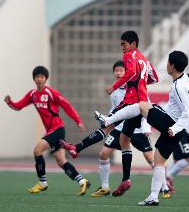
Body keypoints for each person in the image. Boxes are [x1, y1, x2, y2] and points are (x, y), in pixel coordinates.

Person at [62, 30, 158, 196]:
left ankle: (77, 147)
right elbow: (154, 78)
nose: (122, 47)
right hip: (141, 104)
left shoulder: (130, 55)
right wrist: (140, 82)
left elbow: (132, 73)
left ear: (132, 44)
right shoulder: (144, 59)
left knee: (106, 124)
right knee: (124, 140)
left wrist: (115, 86)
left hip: (131, 102)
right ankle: (126, 179)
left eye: (124, 44)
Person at [95, 50, 189, 206]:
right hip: (175, 127)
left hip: (172, 125)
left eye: (168, 62)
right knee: (158, 161)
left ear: (172, 65)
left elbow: (188, 111)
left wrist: (174, 128)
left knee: (141, 105)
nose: (166, 64)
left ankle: (108, 120)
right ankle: (154, 197)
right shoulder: (184, 79)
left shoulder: (179, 86)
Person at [4, 66, 90, 195]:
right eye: (37, 77)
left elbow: (66, 105)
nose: (39, 79)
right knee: (61, 161)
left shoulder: (51, 93)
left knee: (37, 151)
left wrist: (78, 121)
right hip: (51, 131)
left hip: (57, 129)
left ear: (46, 79)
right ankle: (82, 181)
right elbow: (19, 106)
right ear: (34, 79)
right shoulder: (32, 94)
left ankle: (42, 183)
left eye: (42, 77)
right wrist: (10, 102)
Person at [88, 60, 155, 197]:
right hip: (119, 127)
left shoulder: (137, 87)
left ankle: (164, 186)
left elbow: (145, 108)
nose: (118, 73)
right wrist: (108, 120)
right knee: (103, 154)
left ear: (127, 73)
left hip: (136, 128)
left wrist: (145, 126)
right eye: (116, 71)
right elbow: (115, 109)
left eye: (121, 71)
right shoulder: (113, 90)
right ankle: (105, 187)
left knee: (150, 158)